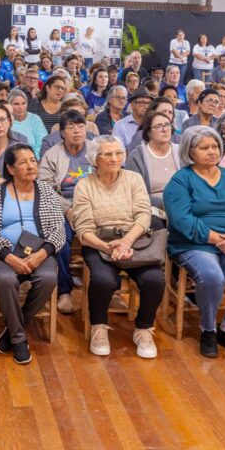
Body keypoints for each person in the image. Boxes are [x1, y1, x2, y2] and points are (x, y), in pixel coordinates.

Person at [164, 126, 225, 358]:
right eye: (204, 147)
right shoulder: (181, 180)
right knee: (211, 276)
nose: (212, 151)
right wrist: (217, 239)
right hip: (194, 244)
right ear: (190, 152)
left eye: (215, 146)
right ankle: (208, 329)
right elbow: (181, 220)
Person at [69, 135, 165, 359]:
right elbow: (84, 229)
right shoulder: (84, 185)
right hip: (99, 242)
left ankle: (143, 329)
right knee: (103, 280)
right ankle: (99, 327)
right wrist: (107, 247)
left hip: (135, 240)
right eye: (108, 154)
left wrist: (126, 241)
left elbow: (143, 215)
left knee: (154, 279)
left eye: (118, 153)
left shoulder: (133, 179)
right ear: (95, 159)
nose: (114, 158)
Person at [0, 144, 66, 364]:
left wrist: (41, 254)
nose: (30, 166)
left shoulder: (46, 191)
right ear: (10, 168)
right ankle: (18, 339)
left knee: (48, 278)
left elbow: (58, 229)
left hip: (40, 252)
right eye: (23, 162)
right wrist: (8, 257)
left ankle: (14, 327)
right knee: (6, 279)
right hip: (5, 252)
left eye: (33, 160)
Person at [39, 110, 96, 313]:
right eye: (71, 127)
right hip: (63, 206)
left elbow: (110, 179)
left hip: (94, 204)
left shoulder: (96, 150)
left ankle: (105, 288)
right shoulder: (52, 154)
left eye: (80, 126)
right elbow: (44, 188)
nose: (77, 131)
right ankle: (64, 291)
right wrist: (67, 209)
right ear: (62, 133)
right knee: (60, 239)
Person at [125, 110, 181, 222]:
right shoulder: (136, 157)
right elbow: (137, 194)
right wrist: (166, 204)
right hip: (152, 209)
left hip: (183, 203)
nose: (164, 129)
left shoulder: (181, 151)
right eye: (159, 126)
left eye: (167, 125)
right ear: (149, 132)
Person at [8, 88, 48, 157]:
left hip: (35, 159)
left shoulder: (35, 119)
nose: (21, 107)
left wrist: (33, 160)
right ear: (9, 105)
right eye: (16, 104)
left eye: (23, 103)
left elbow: (42, 143)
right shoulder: (6, 121)